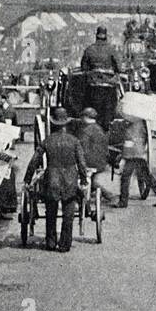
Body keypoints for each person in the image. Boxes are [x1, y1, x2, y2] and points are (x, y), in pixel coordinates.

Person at [24, 108, 88, 252]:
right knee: (68, 214)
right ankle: (65, 244)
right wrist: (83, 180)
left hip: (52, 179)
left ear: (54, 123)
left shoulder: (48, 141)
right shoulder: (74, 141)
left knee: (51, 213)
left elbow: (35, 161)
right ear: (66, 124)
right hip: (70, 180)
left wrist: (27, 179)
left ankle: (51, 242)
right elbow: (81, 163)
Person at [112, 113, 156, 208]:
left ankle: (123, 201)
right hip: (137, 152)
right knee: (146, 176)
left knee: (126, 177)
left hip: (134, 153)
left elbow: (131, 138)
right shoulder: (140, 121)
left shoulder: (134, 121)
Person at [70, 107, 117, 205]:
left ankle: (77, 198)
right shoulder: (99, 129)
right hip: (101, 161)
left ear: (85, 117)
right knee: (93, 181)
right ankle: (108, 196)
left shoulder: (85, 131)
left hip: (89, 162)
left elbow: (82, 150)